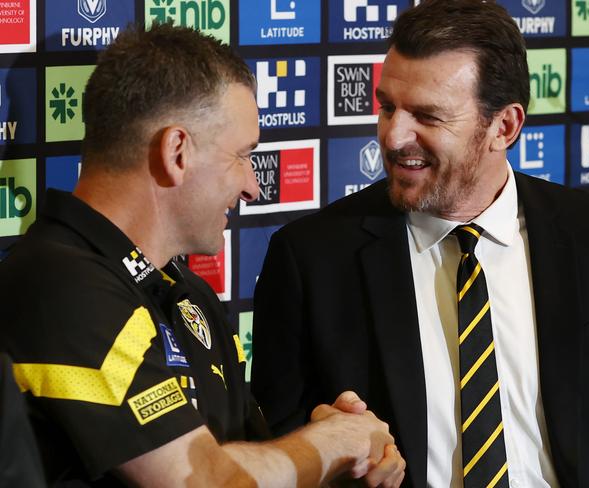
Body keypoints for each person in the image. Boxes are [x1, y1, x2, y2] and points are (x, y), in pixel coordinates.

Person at [251, 0, 589, 487]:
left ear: (504, 127)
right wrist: (330, 460)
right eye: (387, 107)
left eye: (428, 117)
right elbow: (279, 450)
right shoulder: (310, 259)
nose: (394, 136)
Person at [0, 23, 406, 487]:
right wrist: (336, 442)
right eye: (243, 155)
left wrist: (338, 457)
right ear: (177, 152)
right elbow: (202, 482)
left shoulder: (188, 295)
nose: (254, 186)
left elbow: (245, 464)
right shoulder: (57, 285)